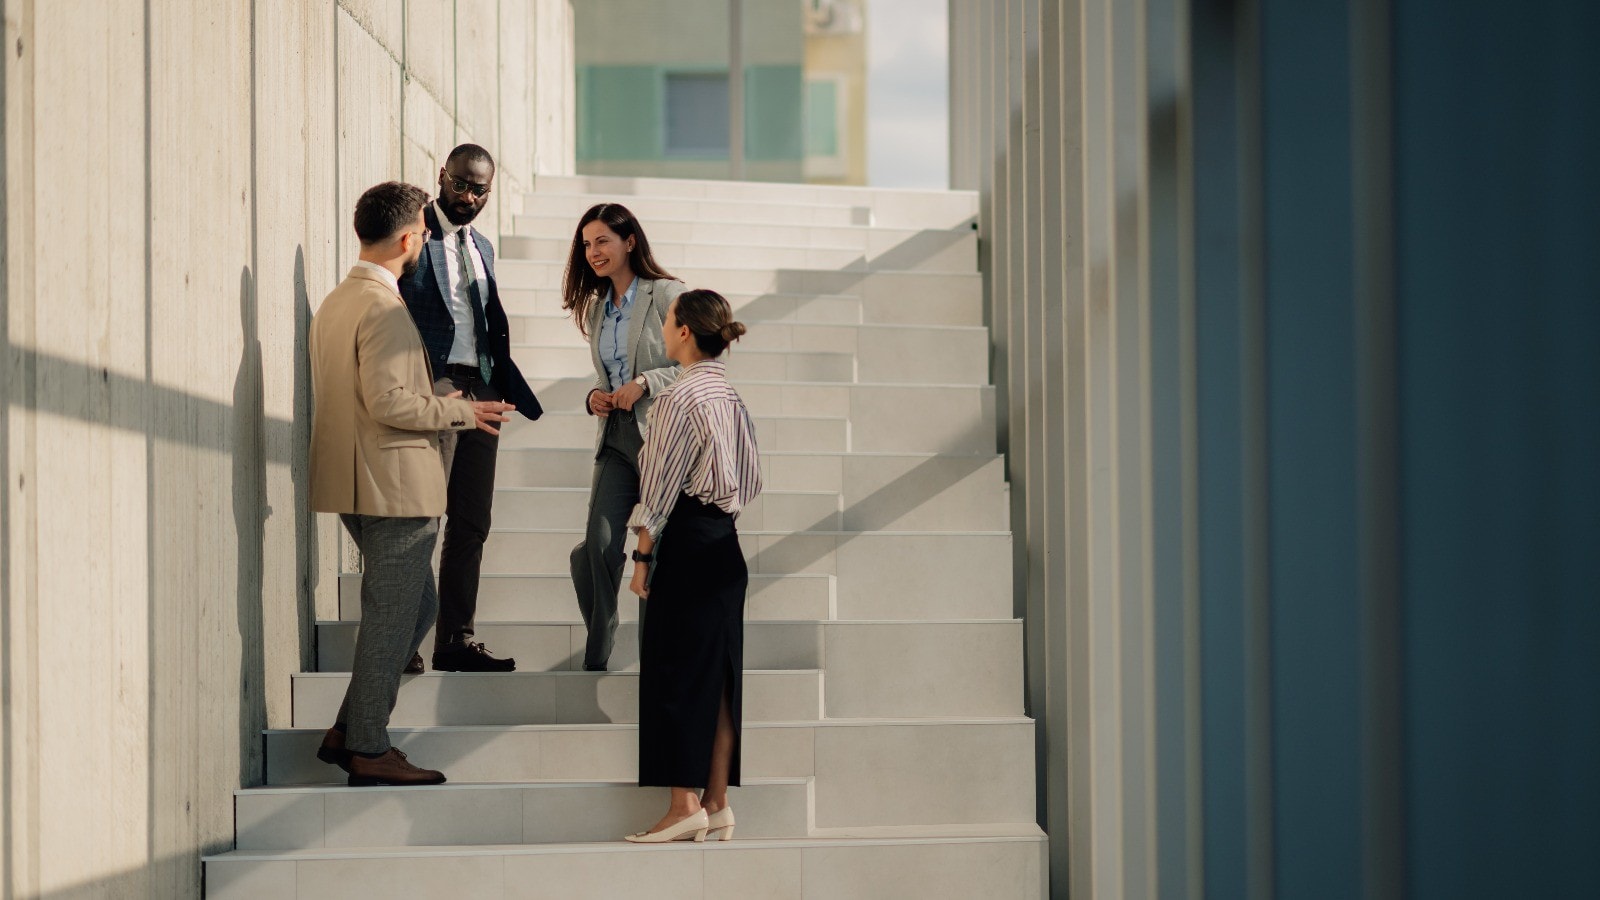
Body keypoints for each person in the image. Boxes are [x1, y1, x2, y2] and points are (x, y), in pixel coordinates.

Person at [309, 181, 515, 785]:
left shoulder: (338, 300)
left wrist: (434, 394)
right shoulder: (386, 308)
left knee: (416, 605)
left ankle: (349, 728)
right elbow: (389, 401)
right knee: (392, 617)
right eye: (422, 234)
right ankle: (369, 747)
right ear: (406, 238)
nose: (425, 241)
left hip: (357, 478)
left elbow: (367, 392)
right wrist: (463, 412)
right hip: (394, 484)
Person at [622, 289, 760, 843]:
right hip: (726, 543)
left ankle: (683, 807)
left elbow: (657, 486)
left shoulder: (678, 399)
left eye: (670, 317)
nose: (664, 325)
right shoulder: (729, 395)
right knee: (720, 680)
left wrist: (642, 557)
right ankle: (717, 802)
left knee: (674, 673)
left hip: (687, 543)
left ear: (682, 332)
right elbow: (750, 479)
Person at [399, 143, 543, 674]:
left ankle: (454, 640)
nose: (468, 196)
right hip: (434, 389)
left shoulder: (480, 244)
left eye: (479, 189)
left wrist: (498, 384)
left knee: (471, 522)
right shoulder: (415, 233)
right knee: (419, 519)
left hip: (482, 391)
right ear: (442, 176)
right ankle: (403, 638)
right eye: (460, 184)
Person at [563, 203, 687, 672]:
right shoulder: (597, 309)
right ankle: (601, 644)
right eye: (587, 244)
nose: (593, 252)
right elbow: (608, 373)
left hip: (660, 441)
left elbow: (696, 362)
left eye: (603, 241)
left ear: (629, 241)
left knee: (658, 551)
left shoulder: (665, 294)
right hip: (614, 437)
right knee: (596, 546)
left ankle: (662, 656)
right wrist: (596, 394)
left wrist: (647, 383)